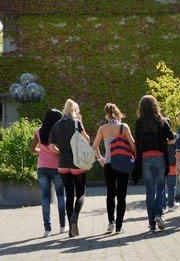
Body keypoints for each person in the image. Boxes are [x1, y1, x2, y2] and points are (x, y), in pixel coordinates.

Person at [93, 103, 135, 234]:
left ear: (106, 114)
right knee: (121, 195)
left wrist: (100, 158)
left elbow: (94, 146)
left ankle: (110, 222)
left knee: (110, 193)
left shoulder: (102, 128)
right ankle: (118, 226)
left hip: (109, 163)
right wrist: (134, 156)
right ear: (117, 113)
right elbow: (133, 145)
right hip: (122, 163)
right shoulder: (123, 127)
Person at [133, 95, 174, 233]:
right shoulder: (161, 120)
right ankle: (158, 214)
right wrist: (162, 142)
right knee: (160, 189)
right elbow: (171, 138)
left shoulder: (139, 122)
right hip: (160, 157)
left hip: (145, 158)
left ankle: (151, 223)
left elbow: (137, 143)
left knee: (149, 191)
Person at [50, 99, 90, 237]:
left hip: (62, 164)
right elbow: (87, 139)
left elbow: (51, 147)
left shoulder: (56, 125)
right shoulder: (76, 123)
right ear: (74, 110)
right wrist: (81, 123)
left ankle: (71, 230)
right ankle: (75, 217)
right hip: (77, 163)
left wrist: (60, 152)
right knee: (81, 194)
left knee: (69, 195)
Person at [30, 109, 66, 237]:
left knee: (45, 198)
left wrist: (42, 152)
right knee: (61, 196)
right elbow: (61, 150)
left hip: (42, 168)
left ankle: (47, 229)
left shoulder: (39, 131)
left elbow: (32, 149)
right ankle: (62, 226)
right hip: (57, 168)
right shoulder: (59, 132)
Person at [163, 118, 180, 214]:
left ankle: (162, 205)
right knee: (171, 186)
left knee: (161, 186)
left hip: (161, 164)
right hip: (173, 164)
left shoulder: (159, 137)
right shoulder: (175, 136)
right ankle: (171, 204)